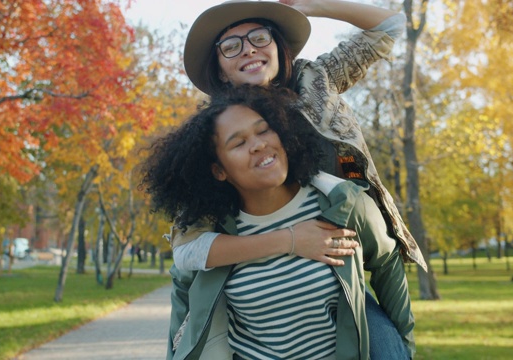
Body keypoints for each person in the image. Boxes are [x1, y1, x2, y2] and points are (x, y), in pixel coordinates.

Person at [140, 85, 414, 359]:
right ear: (219, 170)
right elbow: (183, 308)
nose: (258, 144)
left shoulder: (339, 204)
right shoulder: (218, 233)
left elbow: (387, 264)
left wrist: (403, 347)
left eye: (264, 130)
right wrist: (291, 240)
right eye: (238, 143)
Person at [173, 0, 427, 277]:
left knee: (389, 323)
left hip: (341, 272)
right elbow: (187, 250)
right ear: (220, 69)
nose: (248, 49)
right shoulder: (214, 133)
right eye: (231, 47)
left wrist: (310, 6)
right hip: (257, 285)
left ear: (279, 49)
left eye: (260, 37)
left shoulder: (316, 79)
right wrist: (291, 240)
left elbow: (390, 26)